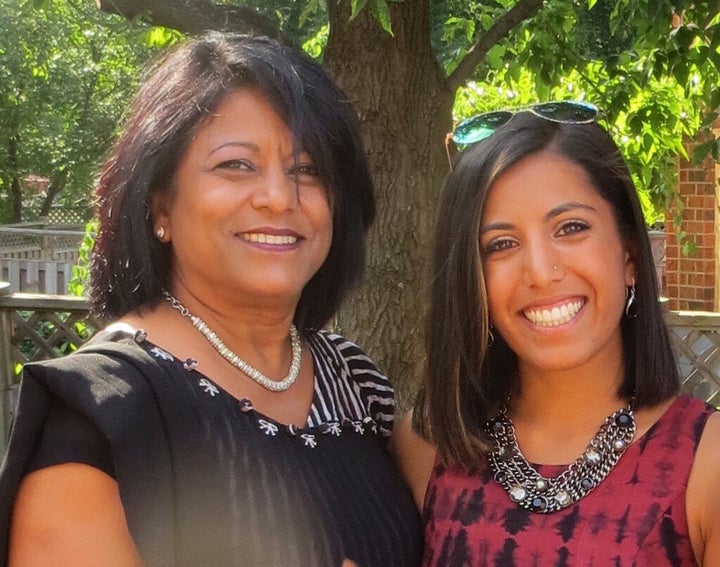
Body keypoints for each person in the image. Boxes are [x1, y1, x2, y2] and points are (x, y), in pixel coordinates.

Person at [0, 31, 423, 566]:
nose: (278, 197)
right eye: (235, 166)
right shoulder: (104, 411)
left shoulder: (357, 383)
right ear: (159, 206)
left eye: (308, 171)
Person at [394, 102, 720, 565]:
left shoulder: (706, 465)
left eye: (570, 228)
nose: (541, 273)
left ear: (629, 255)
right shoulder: (425, 448)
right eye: (501, 245)